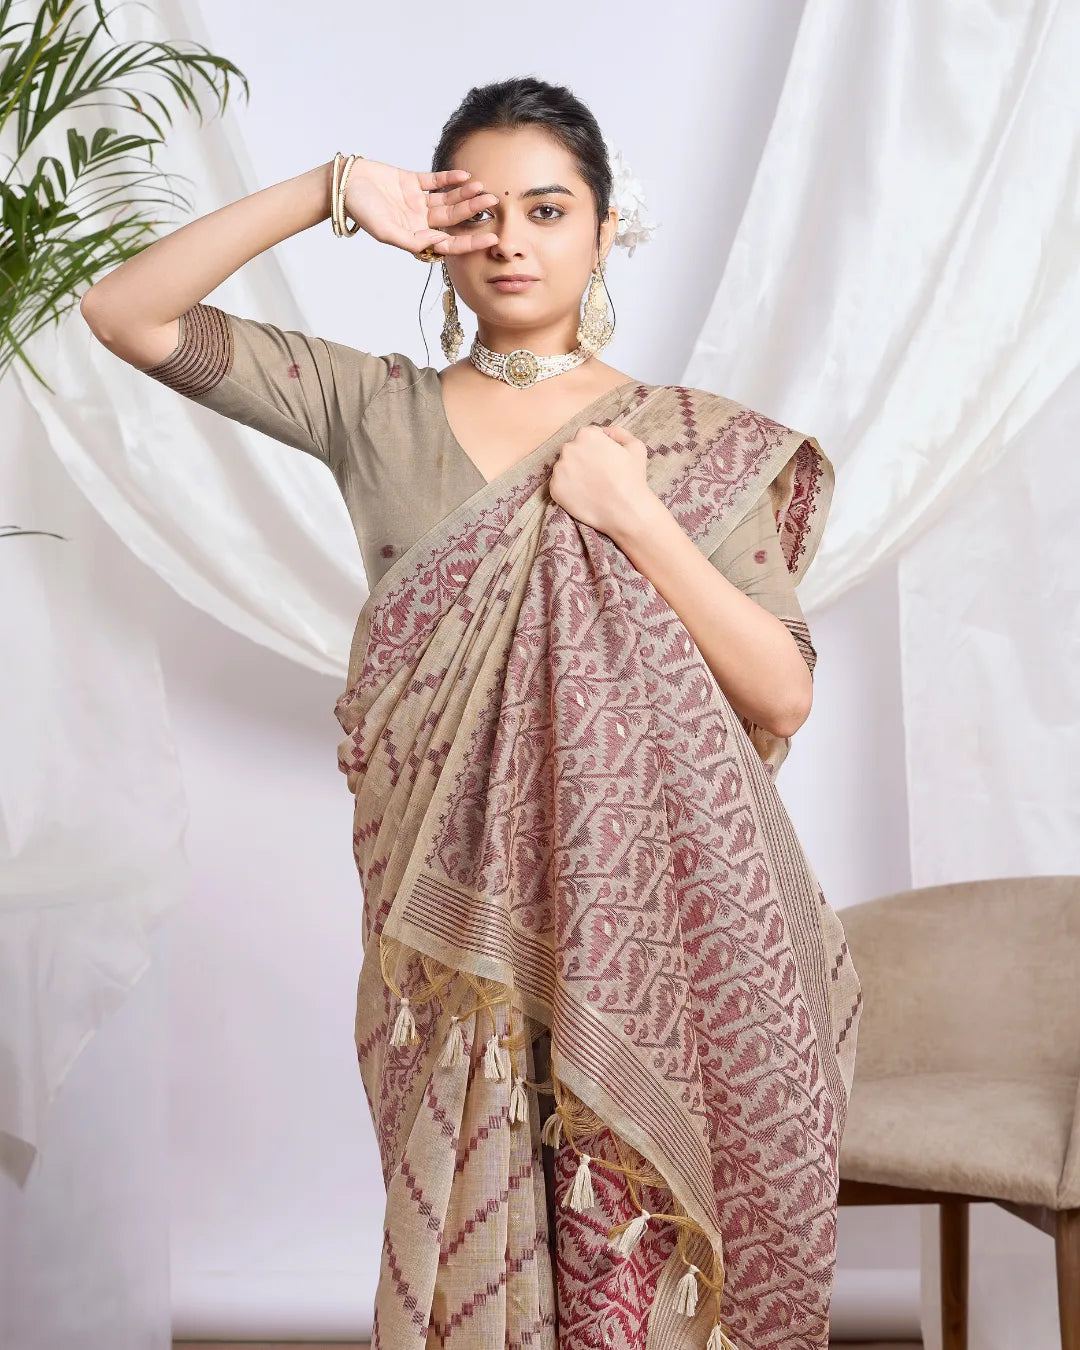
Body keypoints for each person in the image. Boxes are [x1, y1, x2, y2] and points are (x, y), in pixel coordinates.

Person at [81, 75, 861, 1350]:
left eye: (547, 210)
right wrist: (334, 190)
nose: (510, 240)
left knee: (621, 1240)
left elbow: (782, 689)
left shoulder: (690, 447)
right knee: (464, 1225)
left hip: (631, 907)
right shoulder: (373, 407)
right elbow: (125, 312)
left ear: (606, 229)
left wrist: (634, 515)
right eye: (476, 212)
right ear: (437, 232)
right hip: (448, 924)